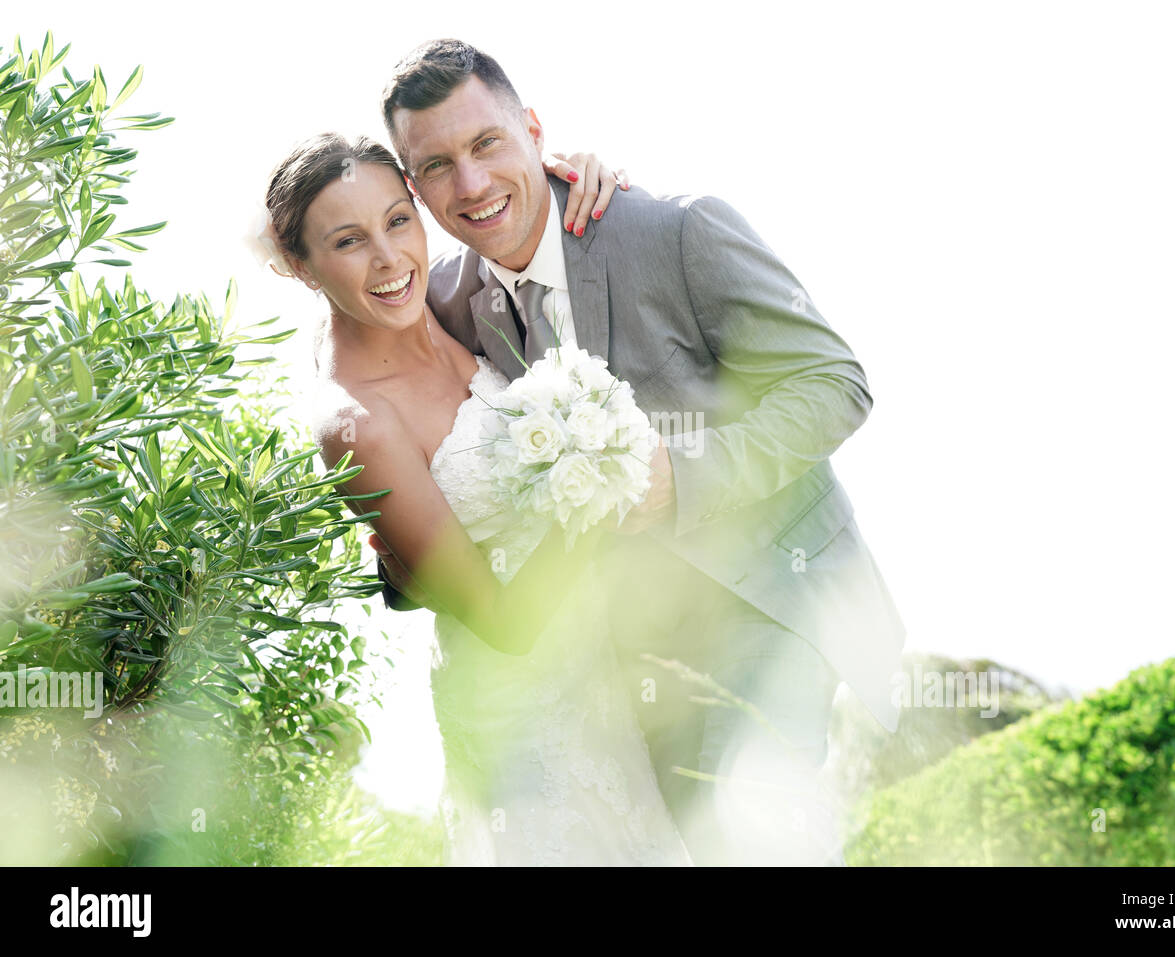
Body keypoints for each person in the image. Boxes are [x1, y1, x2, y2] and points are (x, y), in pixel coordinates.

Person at [375, 39, 908, 865]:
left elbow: (835, 383)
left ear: (535, 132)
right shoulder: (444, 302)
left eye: (487, 144)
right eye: (437, 166)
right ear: (413, 187)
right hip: (620, 660)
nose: (472, 185)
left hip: (768, 601)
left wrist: (682, 477)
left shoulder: (674, 230)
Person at [262, 133, 691, 864]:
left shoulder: (438, 306)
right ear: (299, 265)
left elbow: (516, 226)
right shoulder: (356, 424)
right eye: (349, 240)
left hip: (603, 682)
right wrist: (597, 471)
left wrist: (566, 175)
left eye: (399, 220)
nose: (389, 258)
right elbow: (502, 622)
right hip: (522, 720)